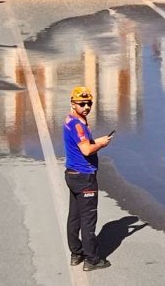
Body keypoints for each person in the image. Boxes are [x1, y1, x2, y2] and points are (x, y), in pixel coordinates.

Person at [63, 87, 113, 271]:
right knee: (88, 219)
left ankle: (76, 253)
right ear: (73, 103)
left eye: (89, 103)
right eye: (82, 104)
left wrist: (95, 140)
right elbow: (85, 150)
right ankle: (92, 259)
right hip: (85, 177)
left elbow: (81, 142)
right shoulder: (78, 125)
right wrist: (100, 144)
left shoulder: (70, 120)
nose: (86, 107)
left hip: (72, 175)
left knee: (74, 217)